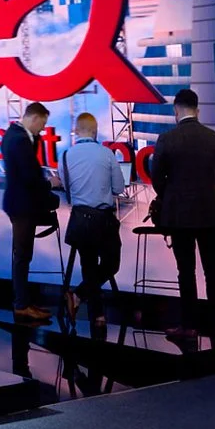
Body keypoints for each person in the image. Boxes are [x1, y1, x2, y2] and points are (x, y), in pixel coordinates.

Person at [147, 87, 215, 336]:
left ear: (176, 110)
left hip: (179, 215)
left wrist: (171, 195)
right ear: (197, 109)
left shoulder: (167, 140)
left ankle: (189, 326)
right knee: (212, 268)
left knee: (186, 270)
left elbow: (156, 180)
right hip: (210, 212)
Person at [58, 112, 127, 322]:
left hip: (80, 220)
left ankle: (96, 315)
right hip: (103, 220)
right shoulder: (107, 154)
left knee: (88, 265)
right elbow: (118, 188)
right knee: (111, 264)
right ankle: (80, 297)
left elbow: (66, 189)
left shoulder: (65, 156)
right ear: (95, 131)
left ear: (76, 132)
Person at [2, 101, 57, 322]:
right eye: (42, 125)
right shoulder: (20, 140)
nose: (42, 130)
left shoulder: (14, 135)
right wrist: (51, 185)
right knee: (22, 256)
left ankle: (23, 301)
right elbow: (31, 177)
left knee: (22, 256)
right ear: (34, 118)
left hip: (19, 204)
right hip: (22, 205)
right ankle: (21, 304)